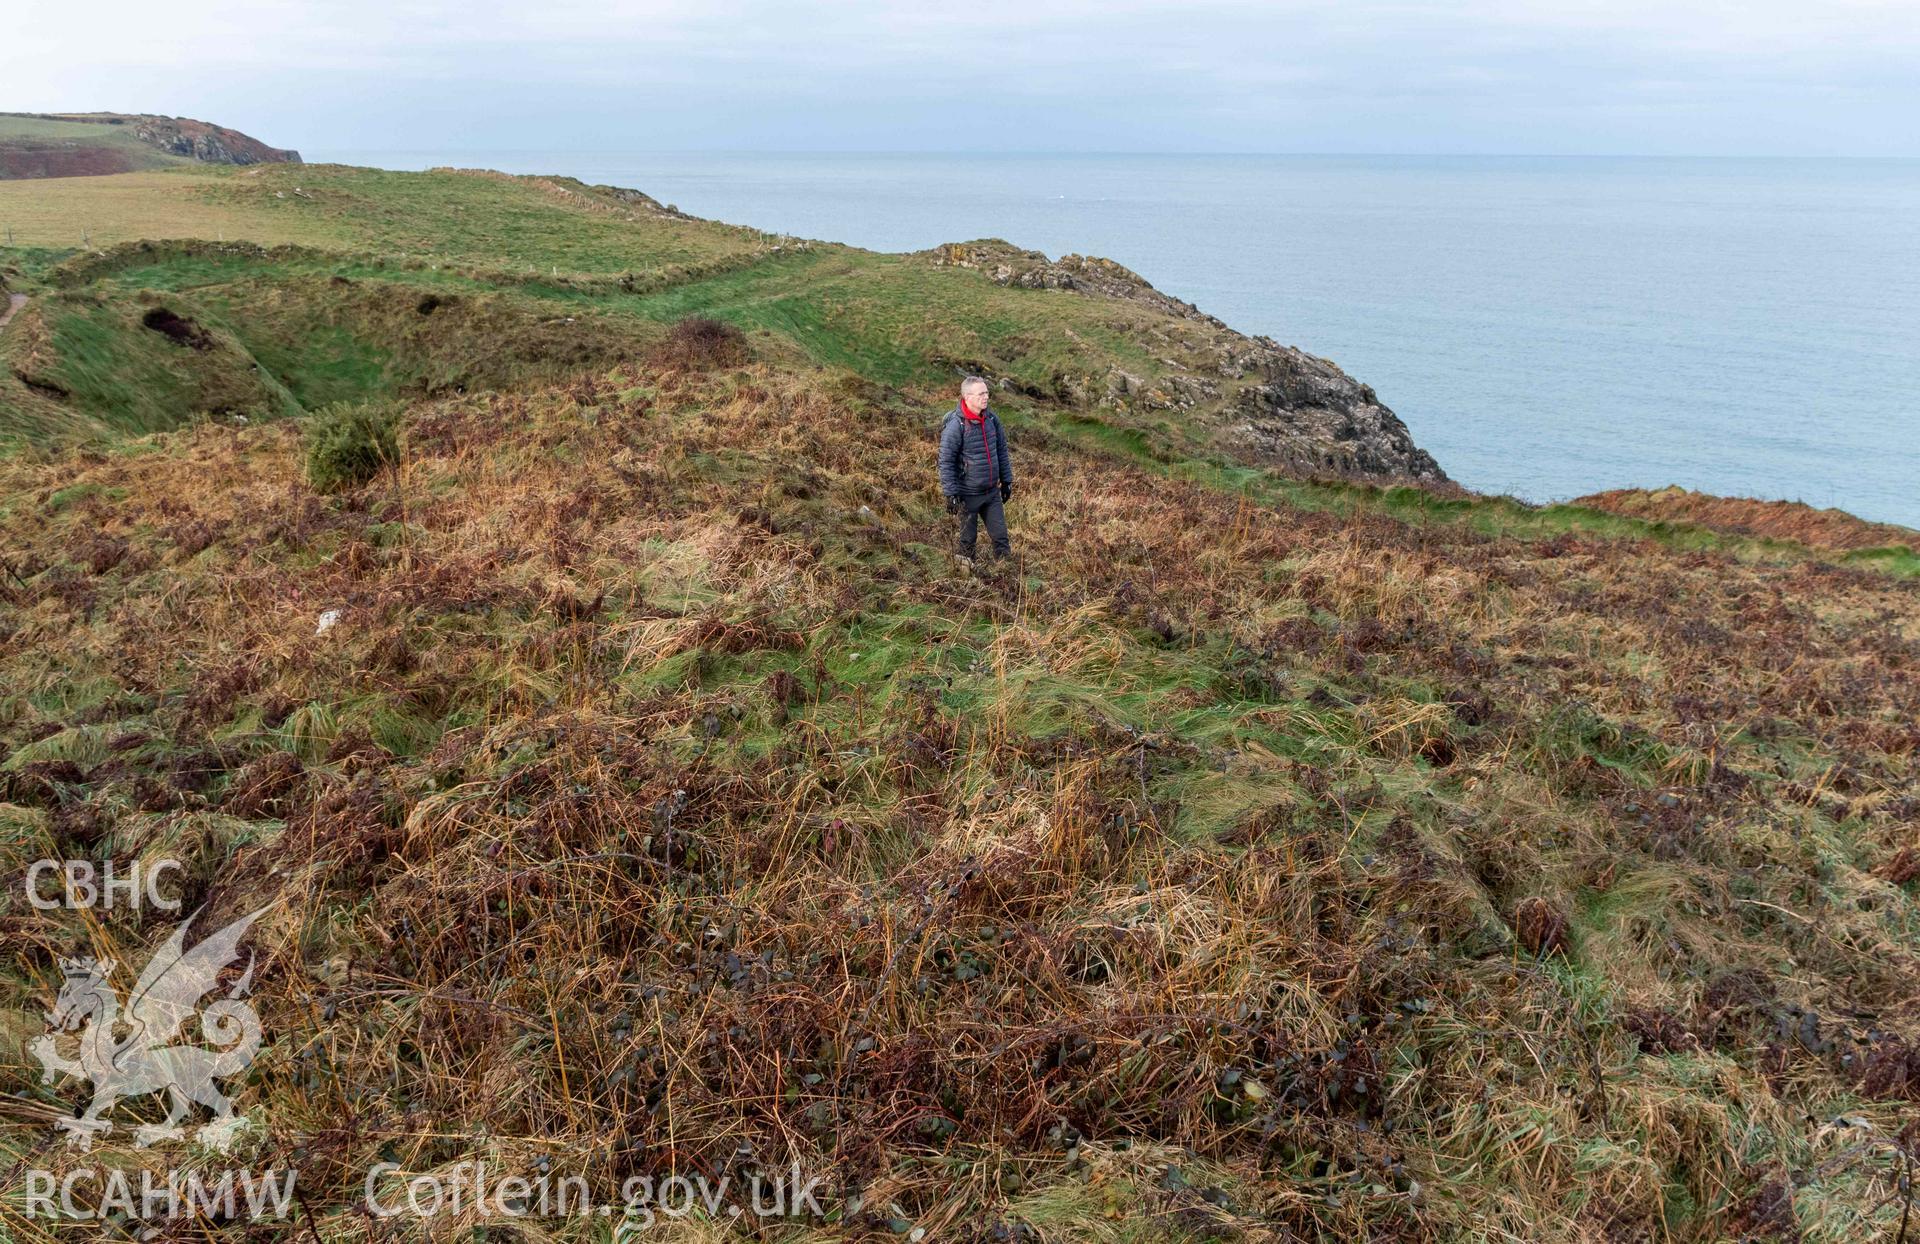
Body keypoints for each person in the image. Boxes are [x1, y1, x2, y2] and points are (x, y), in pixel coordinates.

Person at [937, 375, 1014, 562]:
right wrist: (951, 494)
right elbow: (945, 461)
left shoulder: (992, 420)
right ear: (967, 397)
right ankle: (967, 580)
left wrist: (1007, 481)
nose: (986, 397)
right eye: (981, 394)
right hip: (967, 495)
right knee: (967, 541)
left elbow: (1001, 450)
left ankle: (1007, 577)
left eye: (986, 393)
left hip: (991, 493)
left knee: (1001, 538)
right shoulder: (956, 426)